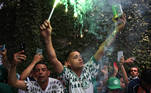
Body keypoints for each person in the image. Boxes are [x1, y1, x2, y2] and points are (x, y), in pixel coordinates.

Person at [40, 14, 126, 93]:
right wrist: (47, 38)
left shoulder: (88, 69)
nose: (80, 58)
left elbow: (102, 48)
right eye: (75, 57)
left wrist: (116, 30)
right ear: (68, 63)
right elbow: (53, 59)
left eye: (80, 56)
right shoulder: (67, 74)